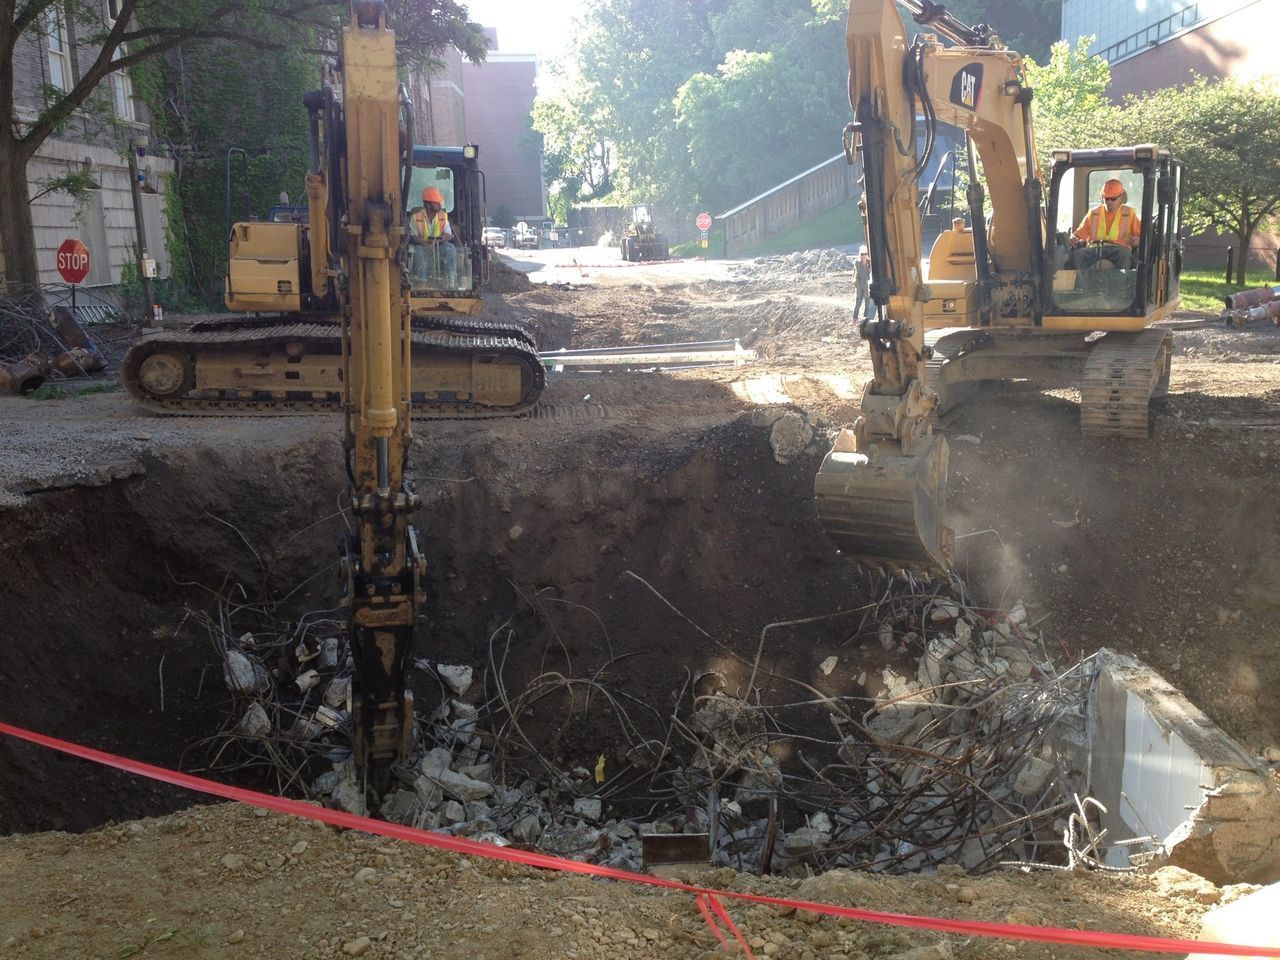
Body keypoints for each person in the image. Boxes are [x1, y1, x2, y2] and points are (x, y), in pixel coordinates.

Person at [1069, 178, 1140, 269]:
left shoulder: (1129, 213)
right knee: (1077, 255)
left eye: (1113, 198)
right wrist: (1073, 238)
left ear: (1120, 197)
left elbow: (1139, 237)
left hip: (1118, 249)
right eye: (1106, 198)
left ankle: (1119, 282)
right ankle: (1082, 282)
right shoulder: (1093, 213)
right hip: (1095, 249)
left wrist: (1137, 240)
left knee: (1125, 255)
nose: (1109, 202)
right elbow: (1078, 234)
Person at [409, 186, 462, 287]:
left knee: (450, 248)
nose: (439, 205)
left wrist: (438, 241)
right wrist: (426, 244)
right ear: (428, 204)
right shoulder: (416, 217)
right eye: (436, 203)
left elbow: (448, 234)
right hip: (423, 247)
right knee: (417, 250)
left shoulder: (442, 216)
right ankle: (422, 282)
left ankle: (450, 281)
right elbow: (414, 236)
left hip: (439, 247)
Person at [853, 244, 872, 323]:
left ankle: (864, 320)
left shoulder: (869, 263)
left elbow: (870, 274)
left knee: (867, 304)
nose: (864, 256)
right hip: (859, 286)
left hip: (867, 286)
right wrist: (856, 285)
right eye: (862, 254)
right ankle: (854, 319)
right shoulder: (857, 263)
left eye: (865, 254)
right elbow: (855, 275)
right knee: (858, 303)